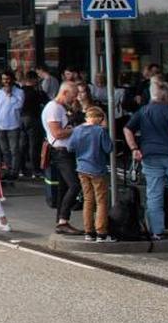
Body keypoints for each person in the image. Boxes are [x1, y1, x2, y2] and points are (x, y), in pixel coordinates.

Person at [124, 81, 168, 240]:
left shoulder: (143, 111)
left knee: (154, 195)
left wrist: (134, 148)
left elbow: (127, 128)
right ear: (166, 96)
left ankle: (156, 231)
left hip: (150, 157)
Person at [67, 106, 115, 242]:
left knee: (88, 200)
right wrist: (105, 129)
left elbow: (70, 147)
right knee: (101, 201)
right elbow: (109, 148)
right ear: (99, 118)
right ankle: (101, 232)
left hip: (82, 168)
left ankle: (89, 232)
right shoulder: (100, 131)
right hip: (97, 169)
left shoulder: (77, 130)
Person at [43, 82, 84, 235]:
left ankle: (60, 221)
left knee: (63, 187)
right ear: (65, 92)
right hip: (61, 152)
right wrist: (78, 129)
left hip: (64, 151)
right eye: (72, 96)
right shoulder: (54, 108)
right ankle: (63, 220)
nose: (73, 99)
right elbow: (57, 133)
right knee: (74, 185)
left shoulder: (60, 108)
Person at [0, 71, 25, 179]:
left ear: (12, 79)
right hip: (1, 125)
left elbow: (19, 106)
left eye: (8, 79)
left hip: (13, 125)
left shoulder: (19, 92)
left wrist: (10, 95)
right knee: (4, 150)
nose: (6, 82)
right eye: (4, 79)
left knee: (14, 149)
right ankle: (7, 170)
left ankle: (14, 172)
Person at [20, 71, 49, 179]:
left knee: (22, 145)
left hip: (21, 118)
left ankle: (22, 168)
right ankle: (35, 170)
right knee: (34, 145)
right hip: (33, 118)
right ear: (33, 80)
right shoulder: (36, 92)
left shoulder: (20, 91)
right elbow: (46, 101)